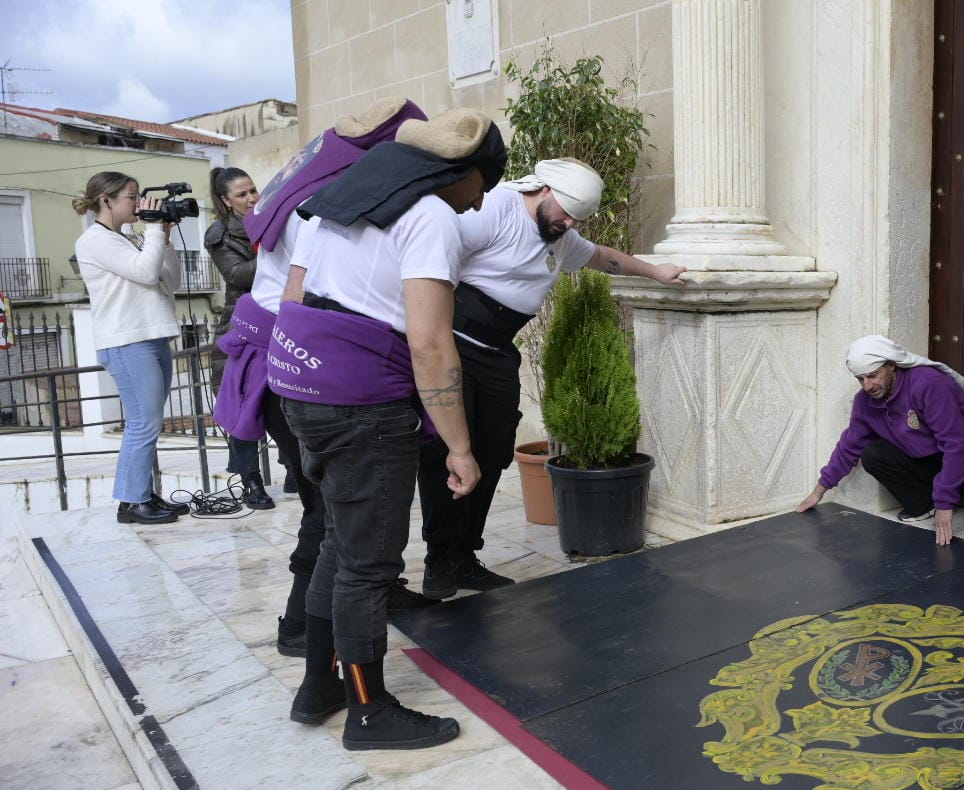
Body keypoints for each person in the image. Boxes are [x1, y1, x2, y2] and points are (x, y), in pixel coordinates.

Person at [270, 107, 504, 750]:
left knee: (340, 545)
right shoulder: (428, 214)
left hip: (303, 388)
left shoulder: (334, 202)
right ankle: (369, 713)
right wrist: (461, 446)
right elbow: (431, 344)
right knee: (369, 563)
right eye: (482, 183)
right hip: (362, 406)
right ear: (458, 172)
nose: (479, 200)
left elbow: (293, 301)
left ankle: (320, 685)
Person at [215, 97, 429, 657]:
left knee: (341, 511)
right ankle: (300, 627)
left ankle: (370, 595)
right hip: (298, 356)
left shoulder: (308, 184)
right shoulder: (328, 198)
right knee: (327, 509)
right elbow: (307, 292)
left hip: (280, 350)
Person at [417, 157, 687, 597]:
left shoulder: (560, 236)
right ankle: (438, 562)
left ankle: (465, 557)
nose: (568, 224)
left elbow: (602, 257)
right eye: (565, 213)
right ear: (544, 191)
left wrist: (656, 271)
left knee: (493, 452)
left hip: (498, 353)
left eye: (576, 219)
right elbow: (429, 258)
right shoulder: (496, 209)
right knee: (447, 455)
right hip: (454, 345)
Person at [797, 335, 964, 548]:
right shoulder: (865, 402)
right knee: (872, 453)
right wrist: (818, 491)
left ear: (891, 365)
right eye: (860, 379)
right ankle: (924, 505)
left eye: (873, 375)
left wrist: (945, 501)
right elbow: (848, 447)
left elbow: (955, 443)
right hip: (933, 461)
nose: (867, 385)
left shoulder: (928, 384)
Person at [72, 172, 188, 525]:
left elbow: (169, 279)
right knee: (143, 423)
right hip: (127, 341)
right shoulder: (93, 241)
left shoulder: (127, 238)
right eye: (132, 197)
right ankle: (133, 502)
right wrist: (153, 231)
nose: (139, 204)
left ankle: (140, 494)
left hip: (151, 336)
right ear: (106, 200)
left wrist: (163, 238)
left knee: (148, 423)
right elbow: (143, 274)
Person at [204, 166, 274, 508]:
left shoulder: (270, 217)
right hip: (242, 324)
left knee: (284, 398)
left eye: (253, 190)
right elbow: (236, 273)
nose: (251, 199)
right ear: (225, 200)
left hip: (278, 318)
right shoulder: (219, 234)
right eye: (241, 194)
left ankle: (295, 470)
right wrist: (273, 246)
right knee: (243, 406)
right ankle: (251, 482)